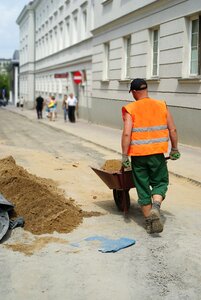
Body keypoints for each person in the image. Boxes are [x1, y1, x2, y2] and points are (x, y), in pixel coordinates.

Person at [121, 78, 181, 234]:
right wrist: (174, 149)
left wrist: (124, 156)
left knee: (142, 187)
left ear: (134, 92)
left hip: (139, 156)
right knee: (160, 182)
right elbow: (172, 130)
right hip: (157, 155)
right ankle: (156, 207)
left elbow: (127, 133)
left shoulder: (130, 108)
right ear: (146, 89)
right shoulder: (161, 105)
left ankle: (150, 222)